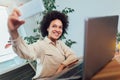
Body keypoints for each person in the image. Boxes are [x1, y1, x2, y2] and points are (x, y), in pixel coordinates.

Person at [7, 8, 79, 80]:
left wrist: (62, 66)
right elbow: (27, 52)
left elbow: (73, 56)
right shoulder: (41, 45)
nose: (57, 30)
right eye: (54, 26)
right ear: (47, 28)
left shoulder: (60, 44)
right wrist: (13, 32)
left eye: (60, 27)